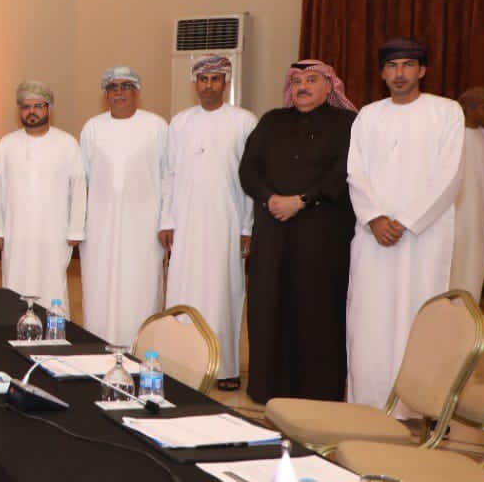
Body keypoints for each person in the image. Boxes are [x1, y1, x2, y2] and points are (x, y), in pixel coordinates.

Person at [346, 38, 465, 407]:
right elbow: (355, 172)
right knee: (370, 319)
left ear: (422, 71)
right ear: (382, 73)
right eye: (392, 66)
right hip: (374, 237)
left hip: (422, 238)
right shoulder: (368, 115)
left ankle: (418, 405)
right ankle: (368, 401)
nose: (399, 73)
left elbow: (450, 175)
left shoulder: (447, 112)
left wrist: (407, 221)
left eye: (408, 65)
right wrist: (375, 218)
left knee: (420, 317)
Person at [240, 59, 358, 403]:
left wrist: (303, 200)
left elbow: (345, 172)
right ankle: (268, 387)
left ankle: (318, 391)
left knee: (318, 309)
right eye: (297, 82)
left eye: (311, 80)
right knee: (269, 305)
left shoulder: (348, 124)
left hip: (323, 234)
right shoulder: (272, 121)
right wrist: (270, 198)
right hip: (274, 232)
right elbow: (249, 169)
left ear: (330, 86)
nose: (302, 87)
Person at [159, 55, 257, 391]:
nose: (209, 86)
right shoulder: (180, 123)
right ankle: (181, 362)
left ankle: (225, 366)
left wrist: (246, 227)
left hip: (226, 222)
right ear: (195, 83)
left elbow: (250, 180)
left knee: (224, 292)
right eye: (203, 80)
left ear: (226, 83)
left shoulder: (244, 121)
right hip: (185, 223)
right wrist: (167, 220)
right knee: (183, 290)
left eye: (215, 79)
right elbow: (169, 175)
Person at [79, 66, 168, 347]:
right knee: (99, 292)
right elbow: (82, 181)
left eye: (126, 86)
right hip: (100, 229)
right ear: (106, 94)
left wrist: (167, 222)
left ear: (137, 92)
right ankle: (99, 350)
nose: (119, 92)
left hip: (144, 228)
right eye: (113, 87)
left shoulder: (157, 127)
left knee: (141, 292)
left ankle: (140, 352)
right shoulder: (92, 128)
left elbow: (168, 178)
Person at [0, 81, 85, 309]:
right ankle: (16, 327)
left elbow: (79, 188)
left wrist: (76, 229)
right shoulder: (7, 144)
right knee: (15, 286)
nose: (31, 111)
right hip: (16, 234)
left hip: (54, 233)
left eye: (38, 106)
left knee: (52, 287)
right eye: (26, 106)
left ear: (49, 108)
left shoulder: (67, 143)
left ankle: (54, 329)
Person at [450, 86, 484, 300]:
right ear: (468, 108)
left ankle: (468, 313)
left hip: (478, 220)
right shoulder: (451, 135)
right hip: (452, 216)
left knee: (474, 266)